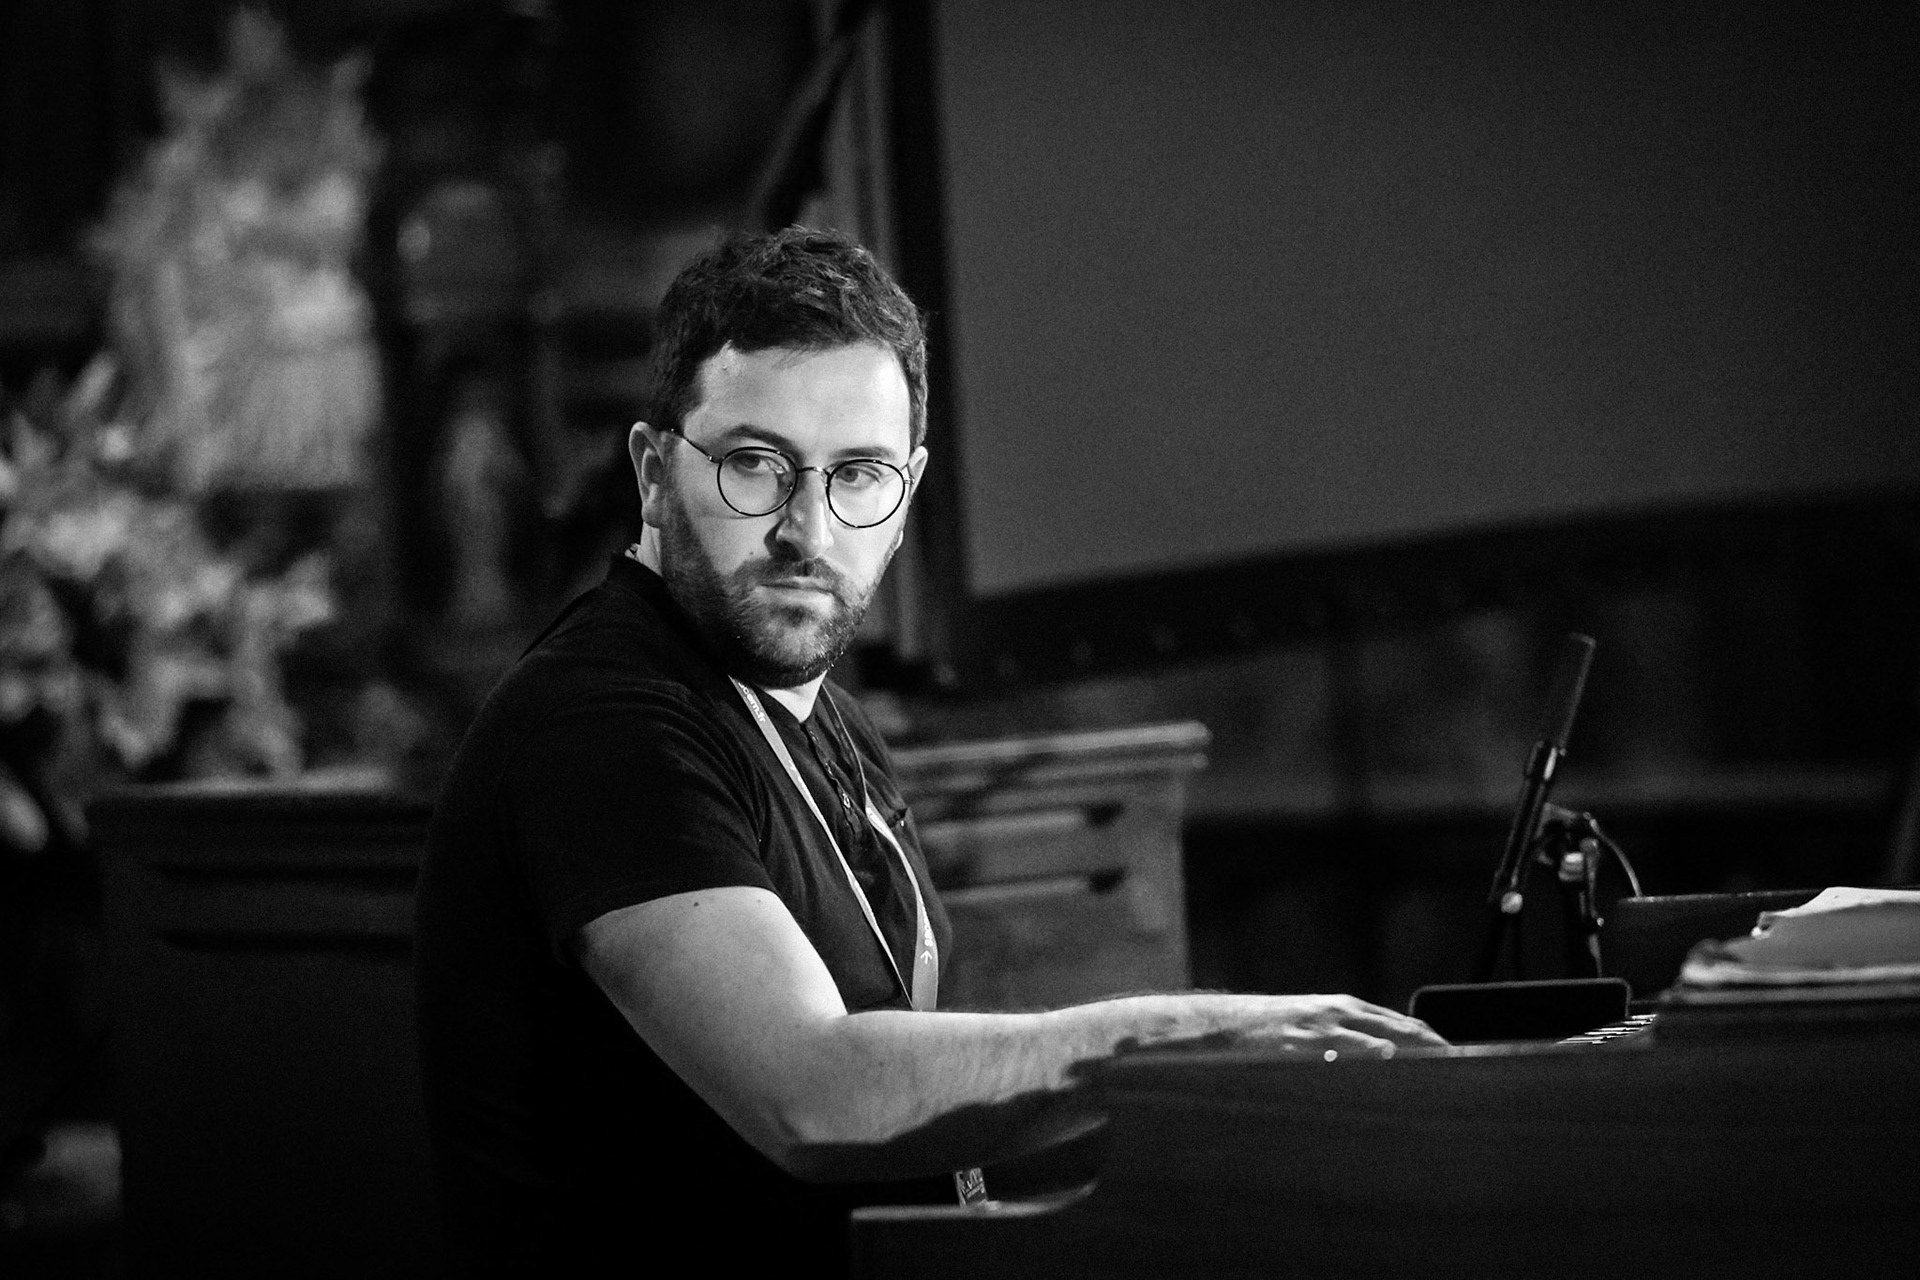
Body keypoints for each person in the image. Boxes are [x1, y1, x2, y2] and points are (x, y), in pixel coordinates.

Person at [413, 226, 1445, 1273]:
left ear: (904, 495)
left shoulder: (815, 713)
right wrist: (1194, 1039)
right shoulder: (605, 725)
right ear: (650, 471)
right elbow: (814, 1094)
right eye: (754, 465)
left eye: (856, 474)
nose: (807, 528)